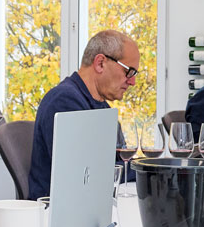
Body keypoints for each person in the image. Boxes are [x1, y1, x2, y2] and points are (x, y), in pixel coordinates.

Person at [27, 30, 139, 200]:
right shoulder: (63, 101)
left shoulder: (102, 107)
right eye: (129, 72)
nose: (132, 81)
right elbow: (87, 174)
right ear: (100, 63)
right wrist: (146, 167)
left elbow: (115, 163)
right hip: (57, 215)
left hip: (89, 206)